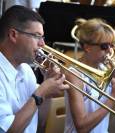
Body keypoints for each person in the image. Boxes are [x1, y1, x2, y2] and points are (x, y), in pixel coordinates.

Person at [0, 5, 69, 133]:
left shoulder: (26, 70)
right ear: (13, 35)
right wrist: (41, 92)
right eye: (37, 36)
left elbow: (40, 123)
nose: (42, 44)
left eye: (42, 37)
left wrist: (47, 91)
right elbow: (10, 130)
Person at [64, 18, 115, 133]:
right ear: (87, 47)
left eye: (111, 45)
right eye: (104, 46)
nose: (109, 51)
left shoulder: (104, 69)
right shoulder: (74, 75)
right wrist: (114, 97)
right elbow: (81, 127)